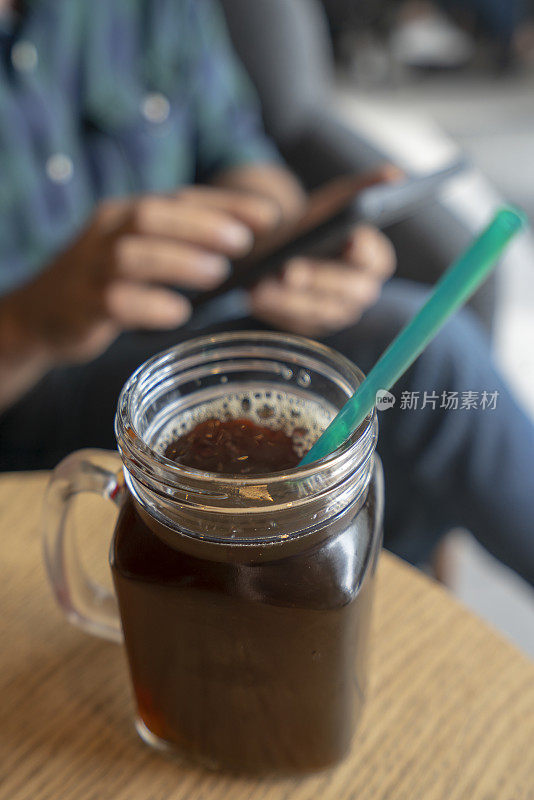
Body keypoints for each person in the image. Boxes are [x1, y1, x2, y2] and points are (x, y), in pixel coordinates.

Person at [0, 0, 533, 587]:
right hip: (26, 396)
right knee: (434, 364)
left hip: (196, 330)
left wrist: (285, 235)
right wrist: (28, 320)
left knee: (396, 423)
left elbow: (242, 154)